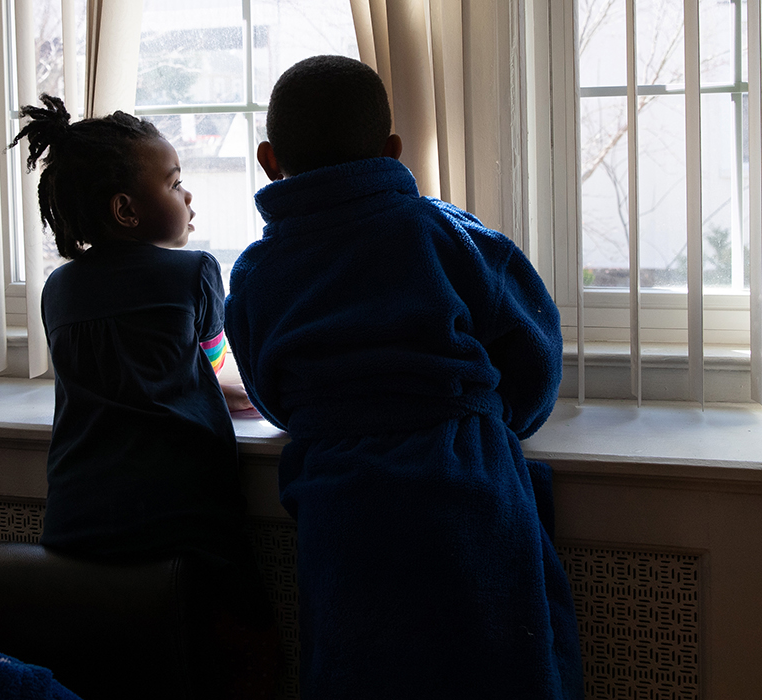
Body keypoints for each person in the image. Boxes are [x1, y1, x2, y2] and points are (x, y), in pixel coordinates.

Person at [225, 56, 583, 699]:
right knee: (500, 661)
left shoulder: (256, 272)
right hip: (465, 479)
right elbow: (535, 348)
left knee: (357, 666)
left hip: (339, 502)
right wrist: (501, 420)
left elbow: (270, 392)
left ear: (269, 159)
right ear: (392, 150)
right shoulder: (448, 233)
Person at [11, 95, 275, 698]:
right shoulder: (194, 273)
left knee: (107, 670)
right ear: (126, 210)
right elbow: (217, 369)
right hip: (183, 515)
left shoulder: (59, 290)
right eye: (176, 183)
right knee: (243, 648)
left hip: (79, 517)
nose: (188, 198)